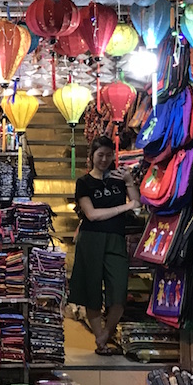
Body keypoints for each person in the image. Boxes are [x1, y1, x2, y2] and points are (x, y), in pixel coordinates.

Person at [68, 136, 140, 356]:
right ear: (92, 156)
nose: (105, 159)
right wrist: (123, 207)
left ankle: (104, 334)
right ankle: (101, 343)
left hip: (116, 239)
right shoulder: (84, 183)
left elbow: (137, 205)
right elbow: (91, 214)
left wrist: (129, 182)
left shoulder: (120, 180)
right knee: (92, 292)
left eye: (109, 155)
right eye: (100, 155)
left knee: (118, 292)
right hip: (91, 240)